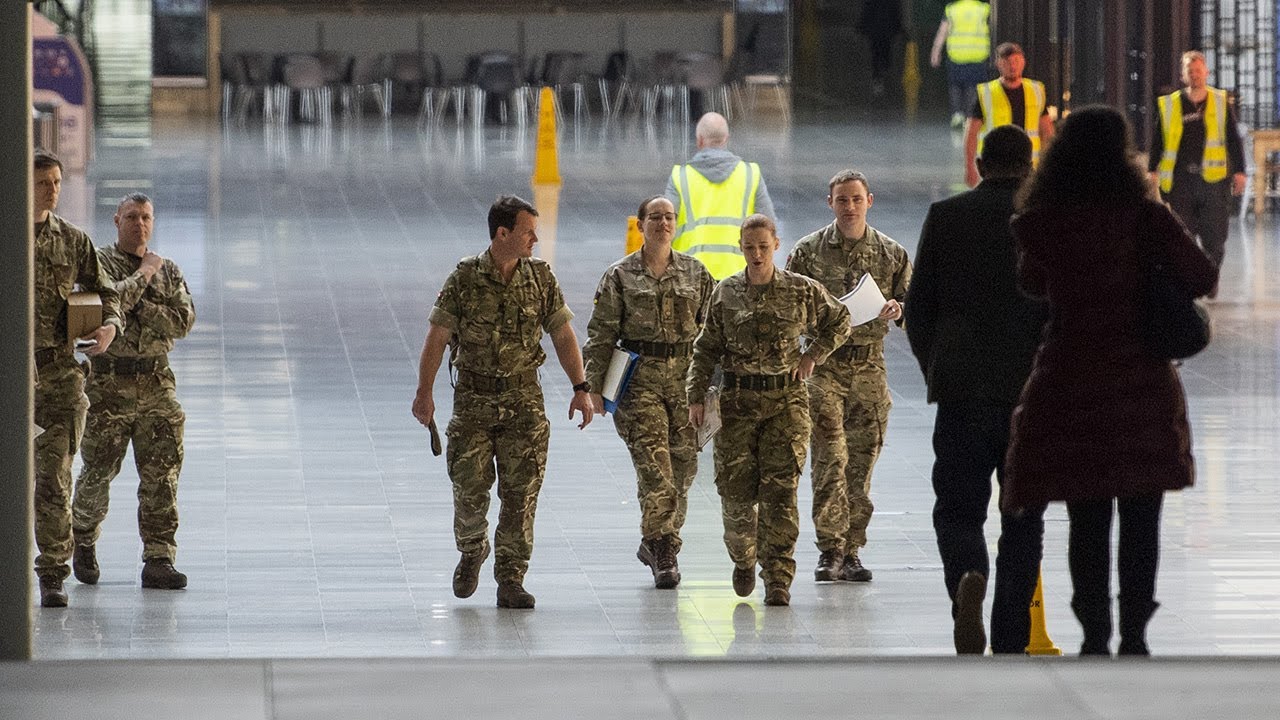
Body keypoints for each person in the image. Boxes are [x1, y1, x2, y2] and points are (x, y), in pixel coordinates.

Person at [1003, 106, 1217, 656]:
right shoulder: (1146, 218)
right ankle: (1136, 632)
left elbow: (1031, 282)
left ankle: (1094, 631)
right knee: (1142, 516)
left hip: (1071, 375)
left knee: (1087, 514)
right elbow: (1202, 275)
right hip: (1141, 379)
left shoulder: (1047, 220)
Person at [903, 126, 1048, 655]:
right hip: (1030, 398)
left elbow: (918, 309)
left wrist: (938, 370)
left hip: (962, 392)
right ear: (1031, 167)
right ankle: (1011, 636)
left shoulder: (947, 216)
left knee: (958, 509)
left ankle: (968, 574)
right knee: (1023, 518)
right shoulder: (1044, 221)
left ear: (980, 165)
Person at [411, 195, 594, 610]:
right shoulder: (464, 278)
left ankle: (511, 577)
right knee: (469, 489)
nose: (535, 239)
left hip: (523, 402)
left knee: (521, 494)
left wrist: (580, 387)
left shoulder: (540, 279)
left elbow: (563, 334)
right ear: (502, 233)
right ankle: (472, 548)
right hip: (473, 401)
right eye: (528, 232)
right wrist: (425, 393)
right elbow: (437, 337)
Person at [688, 214, 851, 607]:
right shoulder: (726, 293)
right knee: (736, 499)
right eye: (750, 247)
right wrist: (695, 396)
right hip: (737, 405)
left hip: (785, 404)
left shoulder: (800, 290)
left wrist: (813, 355)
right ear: (741, 248)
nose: (757, 254)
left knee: (781, 494)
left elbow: (841, 320)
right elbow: (706, 347)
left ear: (776, 245)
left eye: (763, 246)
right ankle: (744, 557)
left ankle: (778, 576)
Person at [582, 196, 716, 589]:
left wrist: (717, 386)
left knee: (683, 470)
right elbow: (601, 333)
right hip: (640, 382)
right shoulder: (620, 276)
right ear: (640, 225)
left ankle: (662, 539)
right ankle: (662, 548)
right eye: (655, 217)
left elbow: (714, 331)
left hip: (686, 382)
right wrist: (593, 388)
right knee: (656, 469)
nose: (663, 223)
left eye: (669, 217)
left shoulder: (695, 273)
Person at [785, 170, 911, 584]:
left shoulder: (891, 253)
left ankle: (852, 548)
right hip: (824, 368)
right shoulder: (807, 252)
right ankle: (830, 549)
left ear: (869, 201)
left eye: (856, 199)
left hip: (869, 368)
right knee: (829, 460)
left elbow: (912, 302)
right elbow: (789, 307)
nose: (850, 207)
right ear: (830, 203)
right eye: (842, 200)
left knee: (860, 462)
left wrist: (898, 309)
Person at [70, 193, 195, 592]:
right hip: (108, 385)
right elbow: (100, 309)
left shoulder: (168, 269)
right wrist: (143, 276)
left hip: (156, 382)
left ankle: (159, 557)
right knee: (98, 471)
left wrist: (140, 309)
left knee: (162, 474)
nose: (139, 224)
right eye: (131, 217)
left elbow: (183, 321)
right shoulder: (98, 264)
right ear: (116, 220)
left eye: (145, 217)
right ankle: (83, 536)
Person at [31, 149, 124, 608]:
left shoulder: (71, 240)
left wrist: (109, 326)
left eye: (56, 182)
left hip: (57, 375)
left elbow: (105, 293)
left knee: (54, 476)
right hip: (13, 369)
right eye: (42, 183)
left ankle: (52, 572)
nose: (52, 190)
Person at [1148, 50, 1247, 297]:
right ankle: (1189, 284)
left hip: (1214, 181)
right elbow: (1158, 139)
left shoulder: (1219, 102)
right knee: (1184, 235)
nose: (1194, 75)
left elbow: (1233, 138)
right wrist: (1152, 169)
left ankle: (1210, 278)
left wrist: (1240, 171)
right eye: (1189, 71)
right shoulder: (1170, 104)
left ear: (1206, 73)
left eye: (1198, 70)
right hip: (1181, 180)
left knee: (1215, 237)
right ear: (1183, 76)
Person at [665, 112, 776, 280]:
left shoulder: (680, 176)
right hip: (741, 276)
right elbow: (768, 226)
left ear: (700, 140)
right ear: (726, 139)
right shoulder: (750, 174)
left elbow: (664, 229)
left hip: (690, 275)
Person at [963, 42, 1055, 188]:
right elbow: (971, 132)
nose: (1012, 66)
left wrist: (1048, 164)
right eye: (1007, 62)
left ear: (1023, 62)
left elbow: (1047, 131)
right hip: (996, 165)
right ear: (998, 64)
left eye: (1016, 61)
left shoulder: (1036, 90)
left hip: (1029, 163)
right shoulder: (986, 93)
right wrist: (969, 167)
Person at [930, 0, 991, 128]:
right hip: (977, 55)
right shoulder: (984, 9)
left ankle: (957, 115)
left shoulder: (951, 10)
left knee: (955, 86)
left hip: (956, 55)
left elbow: (942, 32)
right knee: (973, 87)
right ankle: (970, 117)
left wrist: (936, 51)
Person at [858, 0, 904, 97]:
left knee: (876, 53)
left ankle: (878, 77)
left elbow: (866, 12)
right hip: (885, 29)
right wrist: (898, 28)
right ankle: (883, 73)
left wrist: (862, 27)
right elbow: (896, 12)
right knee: (884, 51)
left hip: (876, 30)